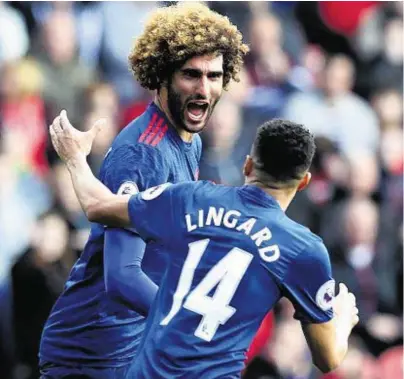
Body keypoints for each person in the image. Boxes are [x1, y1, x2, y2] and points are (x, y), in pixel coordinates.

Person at [49, 112, 360, 378]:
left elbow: (96, 205)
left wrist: (75, 158)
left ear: (248, 165)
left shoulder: (192, 197)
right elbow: (327, 358)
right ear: (303, 182)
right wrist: (343, 319)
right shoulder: (304, 250)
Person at [39, 3, 248, 379]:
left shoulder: (189, 139)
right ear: (160, 77)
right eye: (190, 75)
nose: (204, 88)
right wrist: (189, 325)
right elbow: (121, 276)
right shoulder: (142, 154)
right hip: (94, 352)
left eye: (214, 76)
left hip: (136, 345)